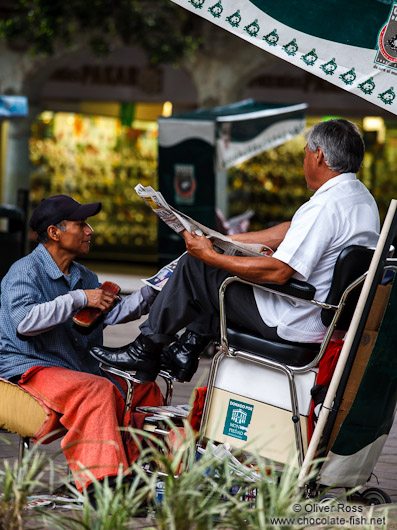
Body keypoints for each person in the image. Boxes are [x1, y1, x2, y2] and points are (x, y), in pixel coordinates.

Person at [90, 119, 380, 383]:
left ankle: (146, 349)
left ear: (318, 155)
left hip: (296, 319)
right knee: (213, 272)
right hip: (320, 314)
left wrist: (211, 255)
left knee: (199, 268)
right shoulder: (360, 199)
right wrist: (227, 240)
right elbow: (292, 229)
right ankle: (186, 349)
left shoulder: (325, 207)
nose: (303, 160)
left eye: (305, 152)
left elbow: (279, 272)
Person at [0, 194, 163, 492]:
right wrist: (80, 298)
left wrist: (155, 290)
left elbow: (111, 314)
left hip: (74, 369)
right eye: (81, 224)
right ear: (54, 232)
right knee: (96, 389)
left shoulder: (84, 275)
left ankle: (144, 476)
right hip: (30, 370)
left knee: (144, 387)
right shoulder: (24, 271)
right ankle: (101, 485)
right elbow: (24, 322)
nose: (90, 231)